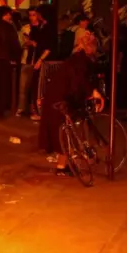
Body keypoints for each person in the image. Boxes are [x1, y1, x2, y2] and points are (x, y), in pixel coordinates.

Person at [38, 32, 104, 175]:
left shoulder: (77, 58)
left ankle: (64, 165)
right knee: (64, 130)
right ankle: (63, 166)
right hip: (60, 97)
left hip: (57, 95)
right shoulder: (81, 60)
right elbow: (79, 79)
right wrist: (91, 92)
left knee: (64, 130)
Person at [17, 7, 44, 118]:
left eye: (34, 15)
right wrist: (27, 43)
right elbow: (20, 44)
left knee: (37, 88)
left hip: (38, 61)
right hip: (26, 60)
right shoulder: (25, 29)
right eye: (30, 15)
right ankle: (21, 108)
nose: (32, 17)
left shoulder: (43, 28)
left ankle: (35, 109)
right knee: (23, 87)